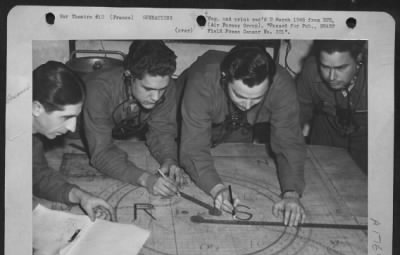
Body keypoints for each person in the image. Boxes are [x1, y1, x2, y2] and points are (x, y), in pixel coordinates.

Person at [177, 43, 307, 227]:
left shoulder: (282, 83)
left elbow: (289, 142)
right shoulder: (203, 78)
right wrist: (218, 189)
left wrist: (291, 194)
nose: (247, 105)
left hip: (236, 126)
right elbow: (193, 148)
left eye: (256, 99)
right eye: (240, 95)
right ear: (225, 78)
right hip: (185, 124)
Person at [82, 40, 183, 197]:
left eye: (161, 89)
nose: (156, 97)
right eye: (148, 89)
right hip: (78, 138)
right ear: (129, 75)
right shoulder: (99, 89)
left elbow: (162, 131)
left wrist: (169, 159)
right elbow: (101, 153)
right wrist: (145, 179)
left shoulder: (166, 86)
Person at [32, 61, 115, 221]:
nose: (72, 127)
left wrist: (81, 196)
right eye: (66, 117)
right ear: (37, 108)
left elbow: (37, 176)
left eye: (76, 117)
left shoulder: (32, 137)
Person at [296, 40, 367, 174]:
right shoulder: (311, 69)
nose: (331, 77)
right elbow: (295, 117)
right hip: (325, 131)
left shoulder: (380, 75)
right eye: (325, 66)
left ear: (358, 59)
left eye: (341, 68)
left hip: (366, 140)